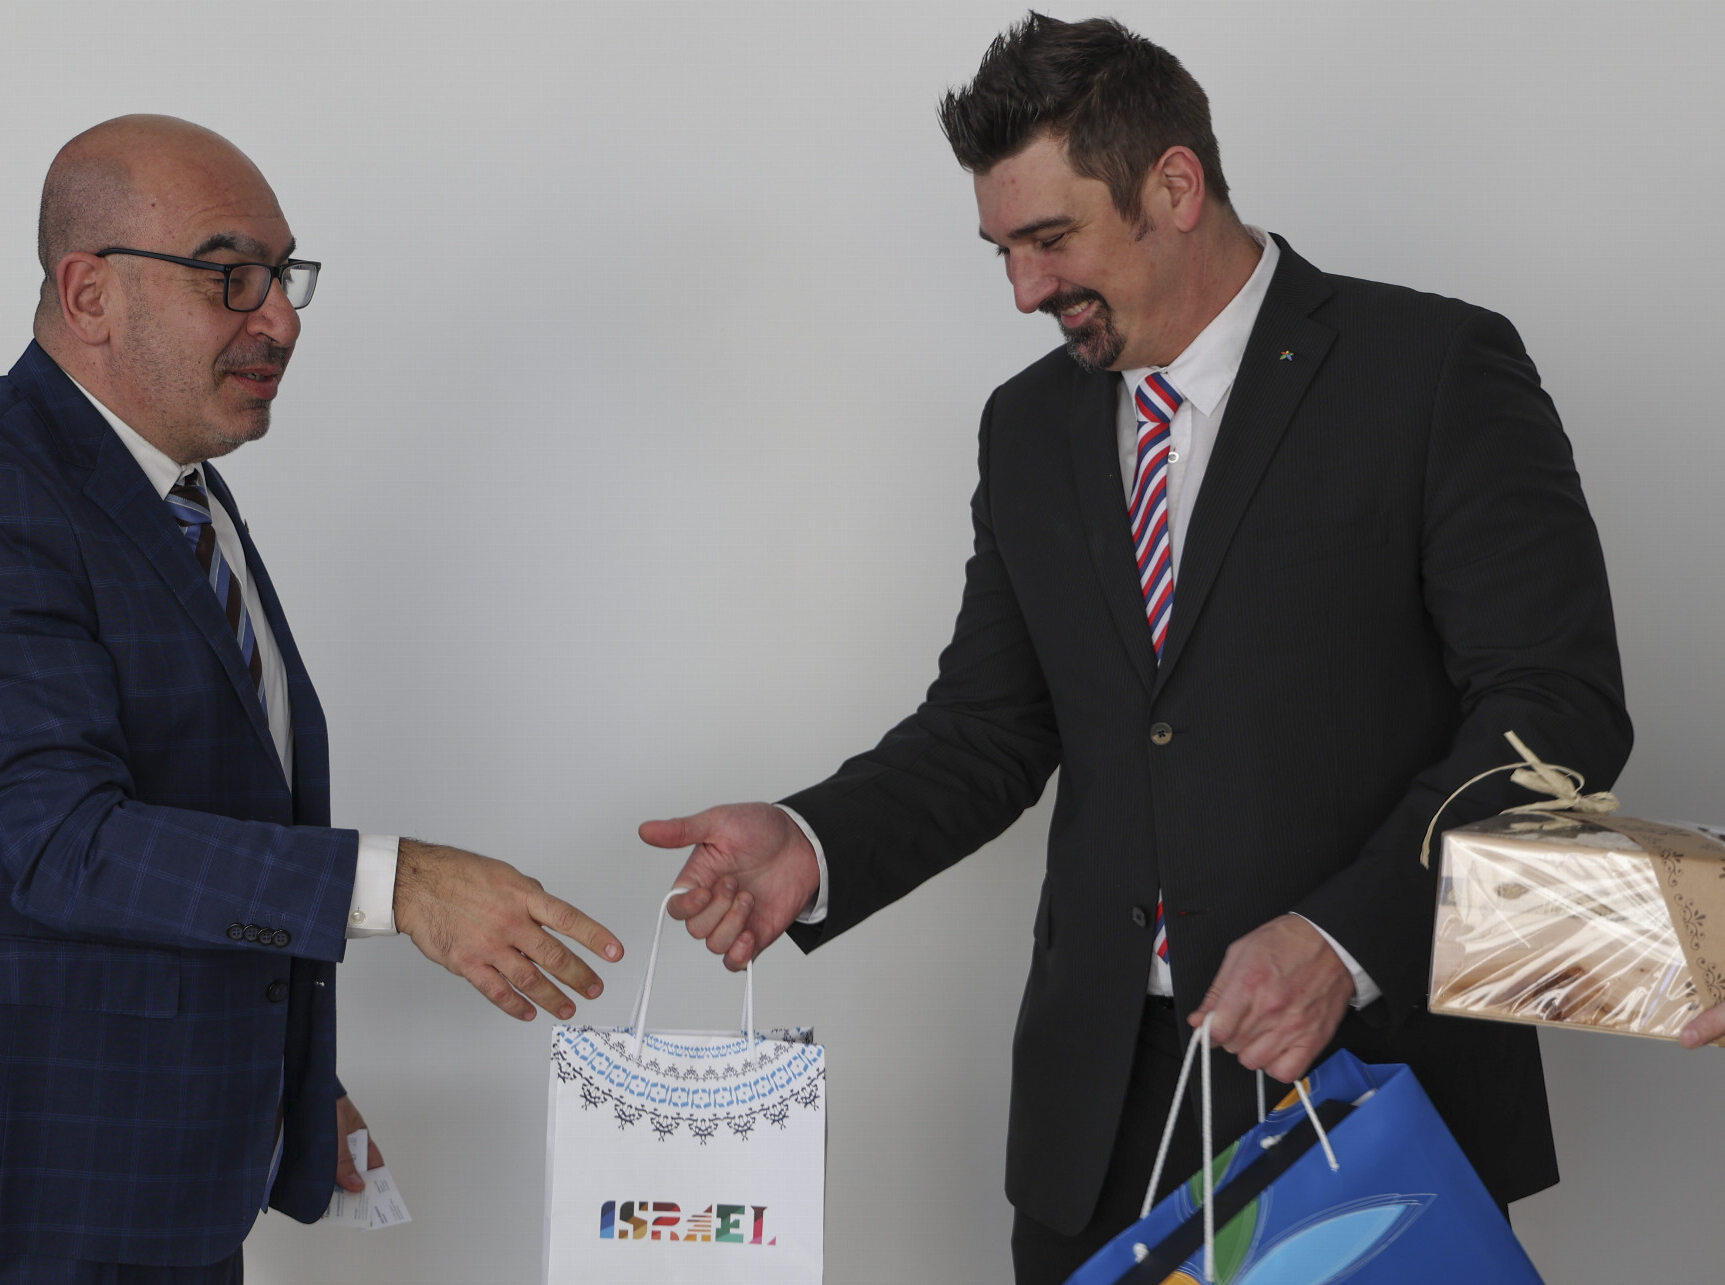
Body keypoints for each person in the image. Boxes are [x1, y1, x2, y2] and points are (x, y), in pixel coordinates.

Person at [638, 16, 1629, 1284]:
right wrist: (813, 839)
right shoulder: (1028, 426)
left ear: (1174, 185)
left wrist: (1344, 939)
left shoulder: (1431, 371)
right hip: (1098, 1114)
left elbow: (1556, 707)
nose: (1023, 291)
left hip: (1367, 1079)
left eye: (1050, 240)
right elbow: (992, 724)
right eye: (1003, 251)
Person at [0, 115, 623, 1284]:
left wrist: (284, 1076)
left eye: (284, 276)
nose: (281, 319)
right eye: (229, 275)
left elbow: (196, 808)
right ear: (89, 293)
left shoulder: (174, 491)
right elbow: (68, 846)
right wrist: (405, 885)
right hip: (8, 1203)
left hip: (161, 1186)